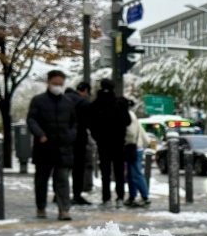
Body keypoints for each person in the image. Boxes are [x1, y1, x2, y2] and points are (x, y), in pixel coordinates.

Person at [27, 70, 76, 221]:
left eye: (60, 84)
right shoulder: (38, 101)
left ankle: (64, 210)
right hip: (44, 147)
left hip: (63, 147)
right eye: (55, 84)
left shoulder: (68, 102)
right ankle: (41, 207)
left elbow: (74, 123)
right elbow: (31, 120)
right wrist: (40, 134)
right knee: (41, 180)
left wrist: (71, 136)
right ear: (48, 82)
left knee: (62, 180)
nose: (58, 87)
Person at [88, 79, 130, 208]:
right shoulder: (120, 103)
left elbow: (91, 123)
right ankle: (120, 197)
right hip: (118, 142)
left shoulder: (96, 104)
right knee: (118, 171)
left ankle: (106, 198)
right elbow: (127, 121)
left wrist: (98, 137)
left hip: (103, 143)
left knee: (105, 171)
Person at [65, 81, 92, 205]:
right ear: (85, 90)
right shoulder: (84, 103)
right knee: (78, 168)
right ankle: (76, 195)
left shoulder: (63, 100)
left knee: (63, 167)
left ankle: (60, 194)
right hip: (79, 139)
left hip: (64, 138)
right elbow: (89, 123)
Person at [122, 98, 151, 207]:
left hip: (133, 147)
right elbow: (141, 132)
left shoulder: (128, 115)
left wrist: (125, 141)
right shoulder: (132, 115)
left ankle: (145, 196)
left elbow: (132, 133)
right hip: (136, 147)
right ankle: (132, 196)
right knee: (131, 174)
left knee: (135, 173)